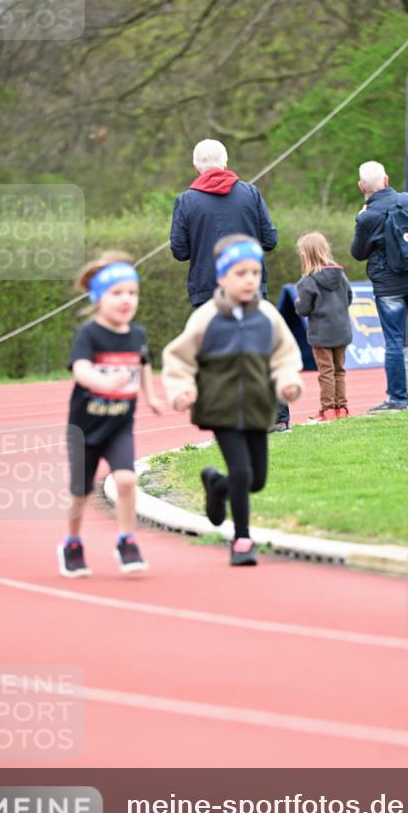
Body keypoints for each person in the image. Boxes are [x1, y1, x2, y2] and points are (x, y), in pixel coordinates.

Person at [162, 234, 303, 566]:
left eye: (255, 272)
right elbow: (178, 356)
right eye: (241, 273)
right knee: (241, 470)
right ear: (222, 277)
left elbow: (285, 355)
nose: (250, 280)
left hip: (258, 407)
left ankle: (217, 486)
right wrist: (181, 389)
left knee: (256, 480)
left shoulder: (267, 315)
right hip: (220, 407)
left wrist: (288, 382)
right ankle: (241, 539)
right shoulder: (207, 316)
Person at [169, 138, 291, 432]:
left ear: (196, 167)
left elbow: (180, 250)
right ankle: (276, 417)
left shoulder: (186, 201)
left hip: (208, 287)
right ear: (225, 162)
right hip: (250, 285)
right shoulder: (250, 193)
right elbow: (270, 240)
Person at [60, 251, 164, 578]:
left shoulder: (137, 334)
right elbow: (80, 369)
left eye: (132, 292)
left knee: (127, 480)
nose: (126, 299)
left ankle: (126, 540)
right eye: (117, 293)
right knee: (80, 493)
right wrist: (103, 382)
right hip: (85, 429)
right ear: (98, 298)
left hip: (119, 426)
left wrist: (152, 395)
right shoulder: (89, 334)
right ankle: (72, 543)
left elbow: (143, 363)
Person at [350, 160, 408, 412]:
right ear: (386, 180)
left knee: (394, 342)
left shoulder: (368, 216)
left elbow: (358, 253)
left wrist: (361, 217)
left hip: (390, 287)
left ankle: (398, 399)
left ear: (361, 187)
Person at [294, 232, 353, 422]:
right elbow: (349, 297)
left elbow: (303, 309)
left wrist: (297, 302)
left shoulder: (307, 281)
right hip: (342, 329)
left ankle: (327, 409)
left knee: (326, 371)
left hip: (321, 333)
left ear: (305, 254)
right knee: (339, 370)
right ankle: (341, 408)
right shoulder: (340, 274)